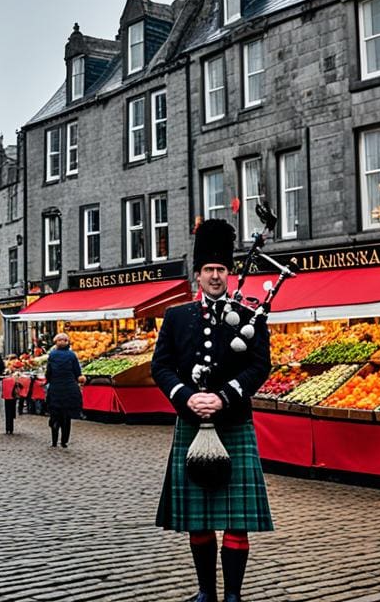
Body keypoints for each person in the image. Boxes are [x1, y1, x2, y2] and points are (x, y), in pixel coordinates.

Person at [151, 219, 273, 602]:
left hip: (233, 421)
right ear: (198, 275)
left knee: (238, 522)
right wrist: (185, 395)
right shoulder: (176, 317)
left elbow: (259, 365)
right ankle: (206, 592)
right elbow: (161, 366)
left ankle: (233, 595)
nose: (215, 276)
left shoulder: (250, 316)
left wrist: (225, 396)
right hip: (191, 422)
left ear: (228, 272)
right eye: (209, 270)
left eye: (221, 269)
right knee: (198, 519)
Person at [45, 332, 85, 448]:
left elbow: (48, 372)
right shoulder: (72, 355)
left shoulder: (52, 355)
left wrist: (49, 380)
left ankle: (54, 439)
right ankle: (64, 441)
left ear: (55, 342)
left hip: (55, 388)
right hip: (69, 388)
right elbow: (77, 372)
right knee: (66, 415)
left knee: (55, 413)